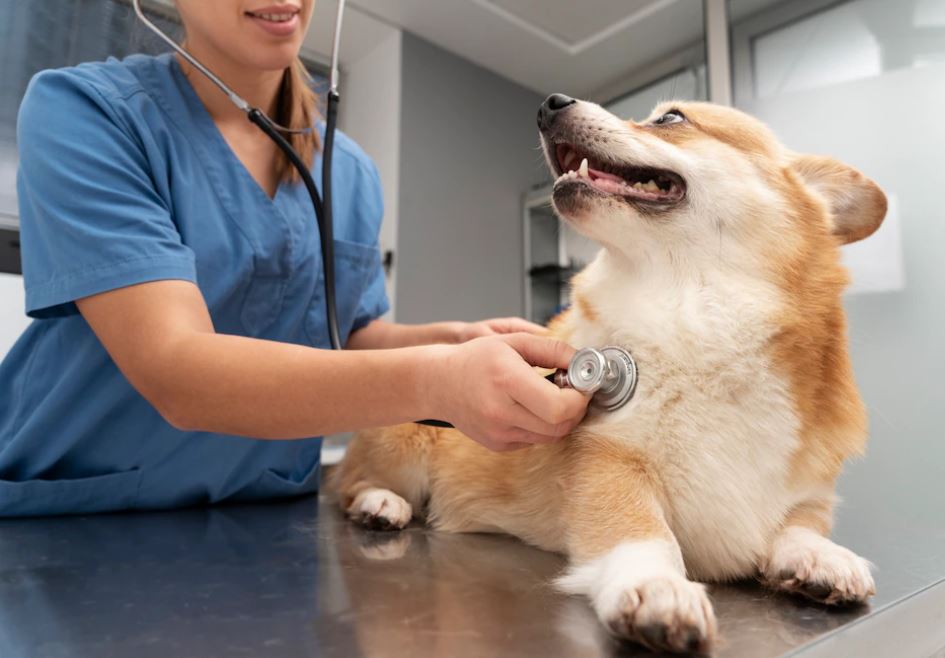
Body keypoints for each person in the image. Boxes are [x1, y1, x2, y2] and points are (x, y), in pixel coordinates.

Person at [0, 0, 589, 517]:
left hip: (256, 516)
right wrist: (438, 380)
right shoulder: (86, 111)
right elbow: (177, 371)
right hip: (74, 515)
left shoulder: (350, 171)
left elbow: (347, 335)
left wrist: (454, 342)